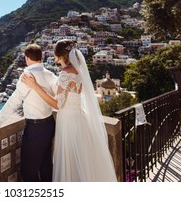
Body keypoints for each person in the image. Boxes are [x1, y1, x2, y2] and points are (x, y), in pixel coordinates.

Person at [21, 39, 117, 182]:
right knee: (81, 163)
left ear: (58, 55)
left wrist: (34, 86)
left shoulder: (66, 73)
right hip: (79, 118)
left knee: (71, 162)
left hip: (69, 122)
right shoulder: (78, 72)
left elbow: (58, 104)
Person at [0, 44, 58, 182]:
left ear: (26, 58)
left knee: (28, 170)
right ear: (41, 57)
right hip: (49, 124)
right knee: (45, 165)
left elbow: (15, 100)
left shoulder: (27, 75)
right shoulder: (50, 74)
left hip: (35, 128)